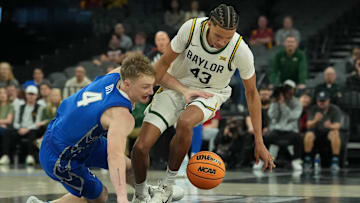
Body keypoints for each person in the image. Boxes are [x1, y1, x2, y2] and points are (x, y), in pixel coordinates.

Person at [131, 4, 275, 202]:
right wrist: (146, 91)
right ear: (209, 24)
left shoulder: (241, 51)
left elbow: (252, 93)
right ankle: (140, 195)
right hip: (175, 86)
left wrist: (259, 140)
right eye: (218, 36)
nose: (222, 42)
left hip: (210, 94)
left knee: (185, 122)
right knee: (140, 148)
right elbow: (163, 63)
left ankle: (167, 186)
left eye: (228, 37)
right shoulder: (190, 29)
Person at [26, 53, 156, 203]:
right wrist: (122, 197)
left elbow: (134, 65)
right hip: (60, 156)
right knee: (100, 196)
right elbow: (115, 158)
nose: (151, 91)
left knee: (131, 166)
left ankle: (145, 194)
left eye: (152, 86)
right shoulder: (120, 115)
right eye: (146, 87)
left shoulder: (116, 75)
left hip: (74, 137)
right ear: (127, 84)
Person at [303, 91, 342, 172]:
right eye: (320, 101)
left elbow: (337, 125)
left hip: (328, 132)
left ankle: (335, 162)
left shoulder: (335, 109)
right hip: (316, 132)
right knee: (308, 135)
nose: (321, 103)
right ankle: (308, 160)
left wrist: (330, 126)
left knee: (335, 133)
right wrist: (315, 120)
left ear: (328, 101)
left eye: (324, 101)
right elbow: (308, 125)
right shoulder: (313, 109)